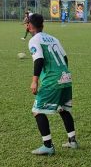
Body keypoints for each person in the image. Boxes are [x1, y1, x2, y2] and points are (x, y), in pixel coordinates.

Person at [26, 14, 77, 155]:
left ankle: (48, 146)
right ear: (42, 25)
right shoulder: (54, 38)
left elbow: (39, 60)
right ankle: (72, 141)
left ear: (30, 26)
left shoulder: (34, 40)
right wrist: (62, 74)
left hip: (52, 79)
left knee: (37, 111)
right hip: (65, 76)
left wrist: (34, 80)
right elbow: (65, 58)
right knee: (63, 109)